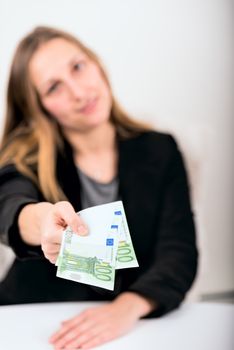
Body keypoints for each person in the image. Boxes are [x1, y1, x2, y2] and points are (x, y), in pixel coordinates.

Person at [0, 26, 198, 349]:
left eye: (78, 67)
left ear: (97, 64)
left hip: (132, 333)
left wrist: (126, 308)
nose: (79, 92)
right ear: (39, 107)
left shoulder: (160, 150)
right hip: (31, 325)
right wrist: (42, 220)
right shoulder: (27, 157)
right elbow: (8, 204)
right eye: (54, 87)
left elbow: (179, 254)